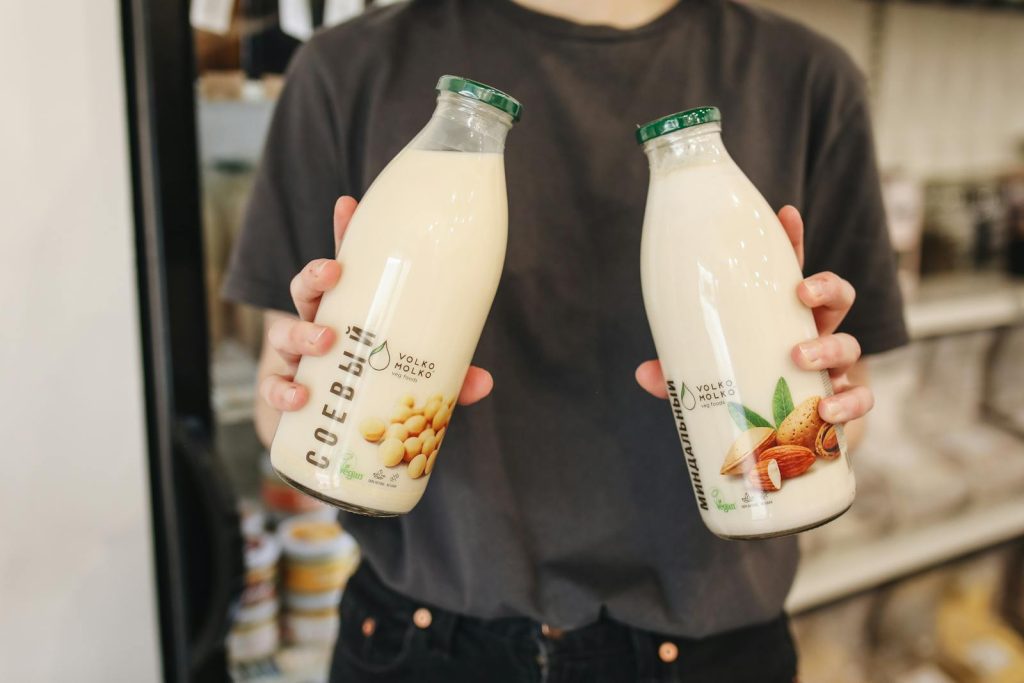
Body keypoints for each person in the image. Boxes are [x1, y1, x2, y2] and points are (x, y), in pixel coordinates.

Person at [224, 0, 907, 680]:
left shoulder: (806, 77)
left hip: (711, 645)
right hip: (423, 643)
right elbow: (278, 408)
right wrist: (300, 388)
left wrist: (822, 400)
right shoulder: (349, 67)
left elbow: (845, 416)